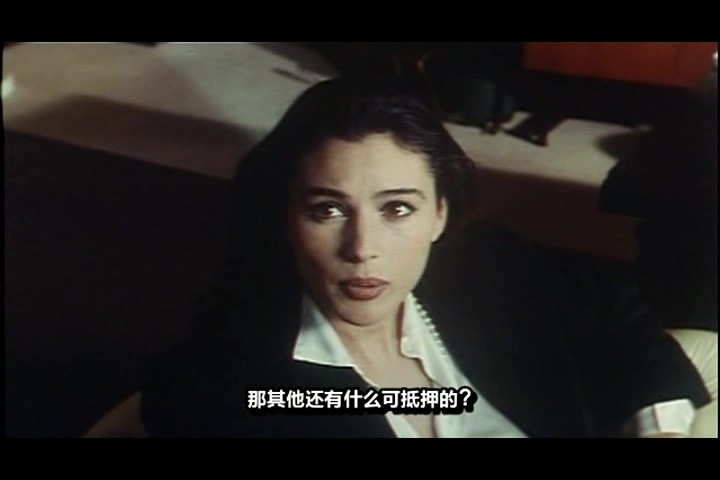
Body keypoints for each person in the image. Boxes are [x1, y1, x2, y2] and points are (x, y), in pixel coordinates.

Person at [86, 75, 714, 438]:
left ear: (440, 213)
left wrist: (659, 429)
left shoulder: (487, 266)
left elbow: (616, 318)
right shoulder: (237, 380)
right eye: (328, 210)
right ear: (286, 219)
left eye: (397, 209)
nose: (363, 250)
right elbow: (189, 400)